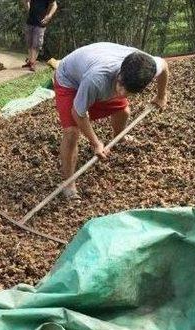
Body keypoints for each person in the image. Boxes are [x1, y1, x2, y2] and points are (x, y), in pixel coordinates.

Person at [54, 42, 170, 198]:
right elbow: (78, 113)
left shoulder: (149, 67)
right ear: (121, 72)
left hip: (98, 67)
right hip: (69, 79)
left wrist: (161, 96)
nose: (121, 91)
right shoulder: (96, 79)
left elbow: (164, 65)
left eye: (128, 90)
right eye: (121, 84)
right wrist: (96, 143)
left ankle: (119, 136)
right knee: (72, 133)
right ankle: (69, 185)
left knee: (123, 111)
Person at [22, 0, 58, 71]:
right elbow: (25, 1)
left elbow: (54, 5)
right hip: (30, 22)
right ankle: (30, 61)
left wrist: (49, 16)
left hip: (40, 23)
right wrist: (28, 8)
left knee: (36, 44)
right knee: (29, 43)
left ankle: (32, 63)